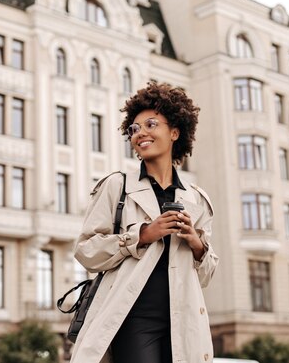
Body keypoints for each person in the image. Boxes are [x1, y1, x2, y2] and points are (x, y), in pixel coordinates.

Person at [70, 81, 219, 363]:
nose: (141, 133)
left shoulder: (197, 199)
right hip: (132, 318)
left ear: (175, 132)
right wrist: (142, 235)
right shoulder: (117, 186)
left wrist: (196, 243)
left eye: (151, 124)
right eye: (134, 129)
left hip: (184, 322)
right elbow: (86, 251)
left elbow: (206, 276)